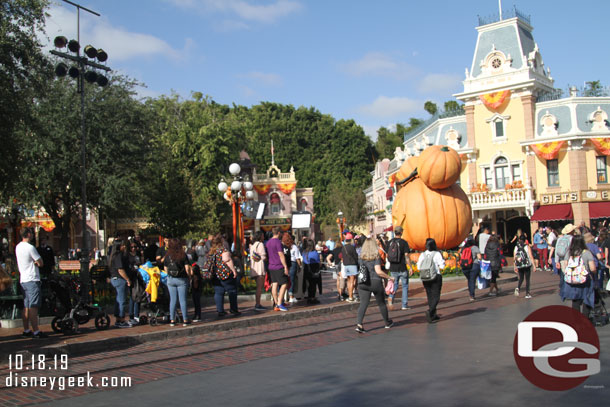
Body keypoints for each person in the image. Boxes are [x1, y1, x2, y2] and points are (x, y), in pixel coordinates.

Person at [355, 237, 394, 333]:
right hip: (375, 281)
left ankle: (359, 324)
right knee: (381, 303)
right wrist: (389, 277)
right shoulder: (376, 256)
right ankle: (387, 322)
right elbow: (378, 271)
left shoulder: (360, 257)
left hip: (363, 282)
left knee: (363, 303)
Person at [16, 228, 47, 338]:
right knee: (33, 306)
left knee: (26, 305)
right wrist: (36, 263)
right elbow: (41, 262)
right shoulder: (30, 247)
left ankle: (26, 329)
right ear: (28, 234)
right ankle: (36, 331)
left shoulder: (18, 247)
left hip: (23, 279)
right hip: (32, 278)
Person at [560, 235, 596, 316]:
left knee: (575, 300)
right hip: (585, 280)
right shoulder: (587, 253)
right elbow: (593, 268)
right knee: (587, 299)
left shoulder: (569, 253)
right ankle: (585, 319)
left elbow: (565, 266)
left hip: (572, 280)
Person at [207, 234, 240, 317]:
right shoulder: (223, 250)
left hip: (215, 274)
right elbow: (227, 260)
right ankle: (233, 309)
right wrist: (234, 271)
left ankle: (220, 310)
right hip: (225, 274)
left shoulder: (211, 251)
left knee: (218, 292)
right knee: (232, 290)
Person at [164, 238, 192, 326]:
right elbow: (187, 268)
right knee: (182, 300)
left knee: (173, 300)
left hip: (171, 279)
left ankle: (172, 320)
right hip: (181, 279)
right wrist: (189, 277)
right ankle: (185, 319)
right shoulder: (183, 255)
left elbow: (165, 268)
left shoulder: (167, 255)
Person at [417, 238, 445, 323]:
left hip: (425, 277)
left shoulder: (422, 254)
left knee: (429, 295)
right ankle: (431, 311)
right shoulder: (437, 254)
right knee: (436, 296)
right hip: (435, 276)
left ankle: (433, 315)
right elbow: (442, 266)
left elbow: (418, 266)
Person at [387, 226, 413, 310]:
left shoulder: (390, 242)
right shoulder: (404, 243)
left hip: (393, 267)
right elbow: (406, 256)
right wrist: (410, 267)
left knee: (394, 285)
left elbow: (387, 255)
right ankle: (404, 305)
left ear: (395, 232)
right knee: (405, 286)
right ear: (401, 232)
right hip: (402, 267)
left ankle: (391, 297)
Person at [265, 227, 289, 311]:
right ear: (278, 233)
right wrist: (285, 266)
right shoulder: (278, 242)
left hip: (271, 266)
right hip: (278, 266)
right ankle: (279, 303)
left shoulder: (268, 242)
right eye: (281, 233)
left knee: (274, 284)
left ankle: (276, 303)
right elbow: (281, 255)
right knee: (284, 283)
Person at [109, 240, 132, 328]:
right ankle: (121, 319)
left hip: (114, 278)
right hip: (119, 279)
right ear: (119, 246)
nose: (125, 247)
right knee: (122, 300)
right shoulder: (118, 255)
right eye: (123, 245)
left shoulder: (112, 256)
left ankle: (118, 319)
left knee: (118, 300)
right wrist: (127, 279)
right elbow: (120, 270)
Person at [249, 231, 267, 310]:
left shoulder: (252, 245)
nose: (263, 237)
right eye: (263, 236)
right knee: (259, 287)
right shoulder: (260, 244)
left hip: (254, 267)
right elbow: (263, 257)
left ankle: (258, 303)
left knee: (258, 287)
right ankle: (258, 304)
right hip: (260, 267)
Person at [459, 235, 481, 301]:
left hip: (465, 266)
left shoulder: (463, 248)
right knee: (472, 280)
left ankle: (470, 293)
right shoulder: (475, 247)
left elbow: (461, 256)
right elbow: (479, 257)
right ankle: (472, 295)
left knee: (469, 280)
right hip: (474, 265)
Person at [302, 239, 321, 304]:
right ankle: (312, 298)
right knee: (313, 284)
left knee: (308, 284)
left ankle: (309, 296)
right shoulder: (315, 252)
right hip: (314, 269)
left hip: (306, 269)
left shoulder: (304, 252)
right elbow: (318, 262)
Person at [127, 242, 142, 324]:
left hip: (138, 277)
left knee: (138, 295)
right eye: (132, 247)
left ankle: (137, 315)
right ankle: (131, 315)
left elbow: (141, 264)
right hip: (131, 278)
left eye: (135, 247)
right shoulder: (128, 256)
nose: (133, 248)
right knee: (132, 297)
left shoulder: (138, 255)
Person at [341, 233, 359, 302]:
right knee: (352, 281)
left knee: (348, 281)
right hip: (352, 265)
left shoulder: (343, 247)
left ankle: (349, 296)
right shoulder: (352, 247)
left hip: (346, 265)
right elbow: (355, 256)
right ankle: (351, 297)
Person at [288, 234, 302, 304]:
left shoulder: (284, 246)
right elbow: (297, 258)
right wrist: (300, 266)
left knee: (287, 280)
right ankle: (291, 297)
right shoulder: (294, 247)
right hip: (293, 263)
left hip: (286, 263)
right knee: (292, 280)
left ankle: (288, 296)